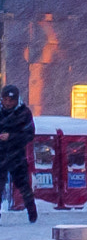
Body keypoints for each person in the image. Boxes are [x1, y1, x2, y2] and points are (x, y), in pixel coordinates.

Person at [0, 85, 37, 223]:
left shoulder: (24, 113)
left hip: (16, 154)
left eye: (11, 100)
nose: (8, 103)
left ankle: (32, 213)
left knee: (23, 185)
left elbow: (29, 134)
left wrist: (11, 137)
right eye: (6, 99)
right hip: (1, 153)